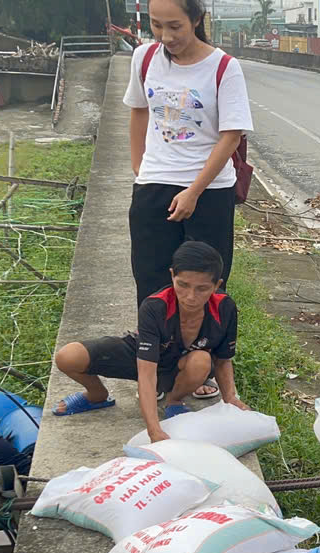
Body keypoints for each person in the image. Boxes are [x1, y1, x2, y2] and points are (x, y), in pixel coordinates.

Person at [51, 241, 249, 443]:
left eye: (202, 289)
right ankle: (96, 394)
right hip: (145, 357)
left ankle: (174, 401)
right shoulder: (155, 306)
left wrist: (231, 400)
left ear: (217, 285)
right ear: (172, 275)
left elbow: (224, 360)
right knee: (68, 357)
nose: (190, 297)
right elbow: (146, 374)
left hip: (183, 367)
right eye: (183, 284)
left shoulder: (225, 308)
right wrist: (154, 431)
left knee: (201, 360)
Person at [125, 0, 252, 310]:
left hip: (209, 192)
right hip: (154, 186)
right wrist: (139, 167)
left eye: (175, 26)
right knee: (151, 280)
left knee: (205, 286)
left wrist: (193, 192)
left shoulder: (224, 67)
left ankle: (202, 354)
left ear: (196, 19)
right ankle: (156, 353)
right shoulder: (144, 58)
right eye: (156, 25)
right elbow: (139, 111)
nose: (165, 36)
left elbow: (231, 136)